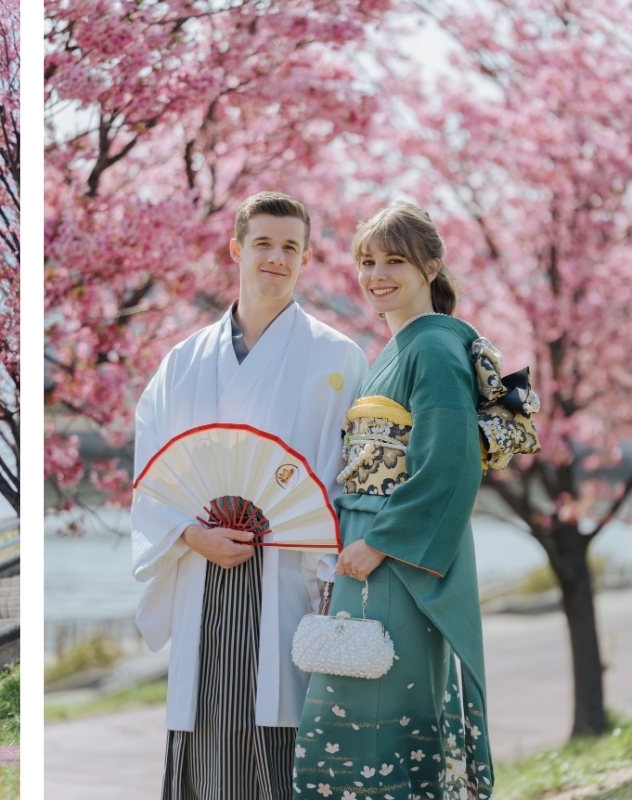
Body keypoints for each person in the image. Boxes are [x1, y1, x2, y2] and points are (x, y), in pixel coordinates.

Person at [132, 191, 369, 799]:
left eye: (290, 246)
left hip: (291, 574)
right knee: (208, 729)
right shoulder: (183, 361)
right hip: (201, 569)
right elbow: (153, 469)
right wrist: (189, 532)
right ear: (237, 249)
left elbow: (351, 480)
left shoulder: (337, 357)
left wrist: (328, 563)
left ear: (307, 258)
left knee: (283, 726)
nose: (276, 257)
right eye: (263, 243)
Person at [292, 202, 493, 800]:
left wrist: (380, 542)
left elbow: (450, 463)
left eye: (395, 260)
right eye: (367, 261)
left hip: (390, 557)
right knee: (357, 698)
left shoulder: (431, 349)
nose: (377, 274)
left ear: (431, 264)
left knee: (370, 705)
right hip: (371, 551)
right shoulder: (400, 347)